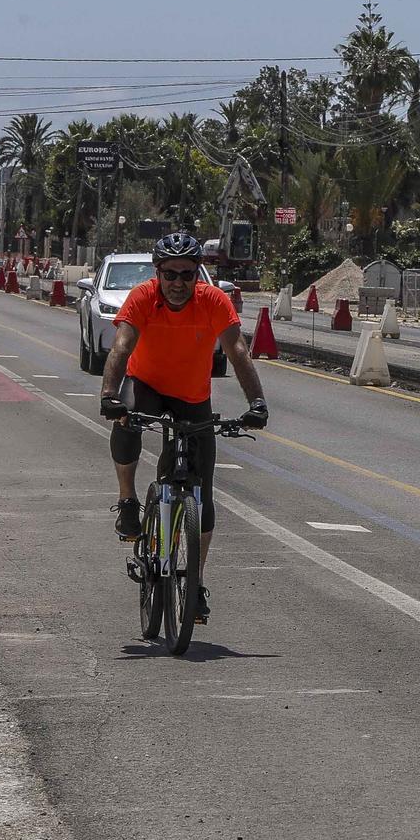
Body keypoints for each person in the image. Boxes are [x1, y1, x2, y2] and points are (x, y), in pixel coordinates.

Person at [98, 232, 269, 625]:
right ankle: (127, 499)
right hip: (147, 387)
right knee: (126, 420)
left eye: (187, 274)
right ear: (157, 273)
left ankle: (195, 581)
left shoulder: (213, 301)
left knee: (203, 495)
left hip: (192, 397)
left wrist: (256, 402)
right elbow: (121, 347)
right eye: (170, 274)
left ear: (198, 274)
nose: (178, 283)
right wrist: (110, 394)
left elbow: (237, 350)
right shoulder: (142, 297)